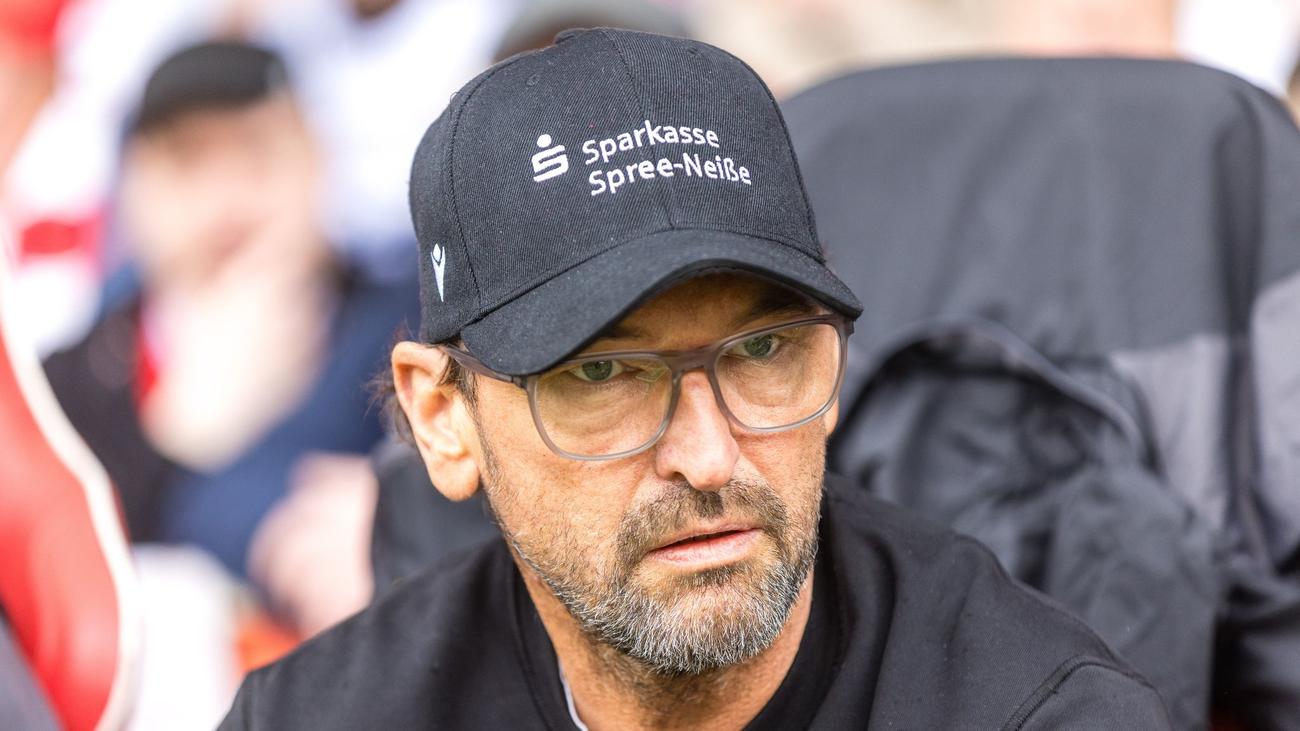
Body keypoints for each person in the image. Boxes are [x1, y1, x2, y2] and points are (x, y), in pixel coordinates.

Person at [219, 29, 1170, 729]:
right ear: (442, 416)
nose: (710, 458)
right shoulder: (319, 715)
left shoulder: (1037, 713)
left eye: (764, 352)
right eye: (604, 371)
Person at [41, 41, 416, 598]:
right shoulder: (64, 387)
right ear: (134, 188)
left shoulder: (412, 329)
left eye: (256, 154)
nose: (226, 201)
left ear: (314, 158)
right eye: (188, 164)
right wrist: (174, 442)